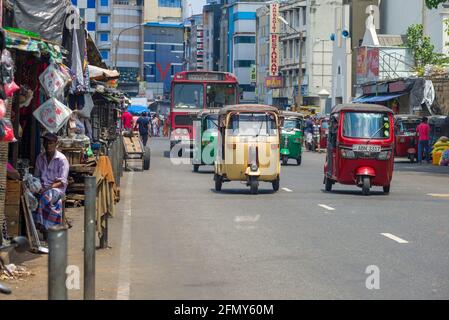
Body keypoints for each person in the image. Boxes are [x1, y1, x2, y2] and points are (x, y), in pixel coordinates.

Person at [33, 132, 70, 233]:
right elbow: (36, 176)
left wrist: (47, 188)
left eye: (50, 143)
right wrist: (38, 187)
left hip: (57, 189)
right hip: (42, 188)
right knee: (31, 198)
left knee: (46, 197)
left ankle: (43, 226)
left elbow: (62, 181)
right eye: (46, 143)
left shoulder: (62, 160)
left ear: (56, 144)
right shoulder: (40, 158)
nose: (48, 145)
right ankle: (43, 226)